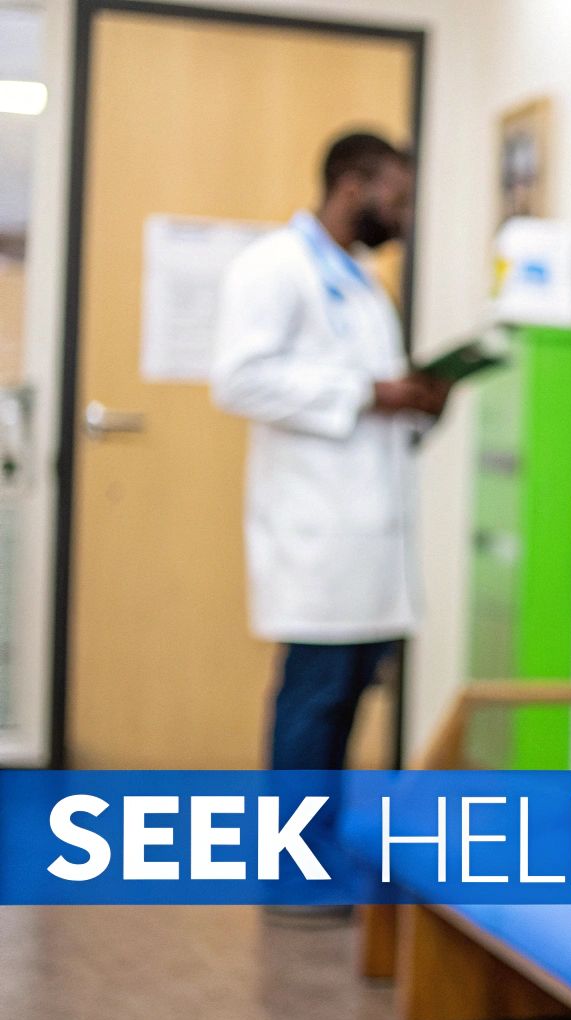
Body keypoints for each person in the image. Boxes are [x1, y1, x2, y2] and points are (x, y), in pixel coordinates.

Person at [212, 131, 447, 784]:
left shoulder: (366, 288)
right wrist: (371, 392)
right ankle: (294, 868)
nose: (404, 218)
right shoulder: (274, 267)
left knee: (342, 707)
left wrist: (424, 400)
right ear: (353, 186)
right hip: (317, 538)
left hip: (370, 540)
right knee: (313, 706)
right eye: (396, 199)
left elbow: (372, 406)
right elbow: (238, 380)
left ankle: (315, 852)